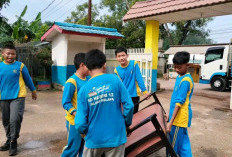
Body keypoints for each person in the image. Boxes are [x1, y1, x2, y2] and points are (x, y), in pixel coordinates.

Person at [75, 49, 134, 157]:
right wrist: (126, 124)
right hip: (116, 137)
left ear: (87, 67)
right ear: (104, 65)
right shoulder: (115, 80)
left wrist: (84, 132)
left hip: (93, 139)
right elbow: (129, 106)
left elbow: (79, 123)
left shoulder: (83, 90)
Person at [0, 44, 37, 156]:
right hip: (3, 97)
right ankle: (9, 139)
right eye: (8, 53)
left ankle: (13, 141)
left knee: (14, 119)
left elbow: (28, 79)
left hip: (18, 96)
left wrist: (33, 91)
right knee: (6, 120)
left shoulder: (20, 66)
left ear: (16, 55)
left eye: (13, 54)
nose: (10, 56)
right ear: (3, 54)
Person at [61, 53, 89, 157]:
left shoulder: (88, 79)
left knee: (84, 149)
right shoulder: (71, 82)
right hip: (74, 122)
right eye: (88, 65)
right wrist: (76, 113)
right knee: (73, 148)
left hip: (85, 121)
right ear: (82, 65)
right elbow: (65, 103)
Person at [166, 51, 194, 157]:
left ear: (187, 65)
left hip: (179, 119)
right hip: (177, 116)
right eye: (175, 67)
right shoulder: (180, 77)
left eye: (179, 67)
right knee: (183, 144)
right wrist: (169, 112)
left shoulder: (186, 81)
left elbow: (179, 103)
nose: (177, 70)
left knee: (172, 146)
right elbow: (174, 98)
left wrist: (170, 122)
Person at [114, 47, 150, 114]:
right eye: (119, 56)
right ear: (116, 58)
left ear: (127, 56)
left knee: (135, 115)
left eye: (123, 55)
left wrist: (144, 91)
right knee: (126, 115)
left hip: (134, 95)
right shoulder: (116, 70)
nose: (121, 58)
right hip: (124, 96)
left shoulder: (134, 64)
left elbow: (139, 78)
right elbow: (118, 85)